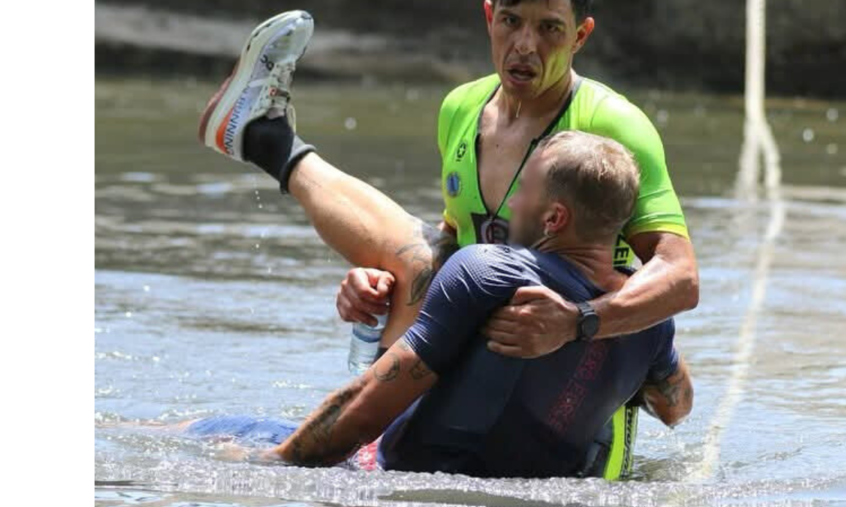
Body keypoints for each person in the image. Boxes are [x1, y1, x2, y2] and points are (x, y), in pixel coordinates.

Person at [331, 0, 699, 478]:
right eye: (511, 21)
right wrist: (381, 286)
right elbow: (455, 239)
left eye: (550, 28)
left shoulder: (614, 126)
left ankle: (276, 146)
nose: (525, 45)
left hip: (576, 411)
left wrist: (578, 322)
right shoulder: (459, 107)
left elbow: (681, 276)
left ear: (581, 35)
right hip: (475, 388)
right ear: (488, 17)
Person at [194, 83, 694, 474]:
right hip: (535, 488)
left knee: (202, 431)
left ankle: (266, 137)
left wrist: (276, 464)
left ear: (554, 219)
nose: (513, 201)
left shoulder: (492, 270)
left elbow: (367, 411)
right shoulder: (646, 321)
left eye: (525, 192)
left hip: (391, 479)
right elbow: (676, 407)